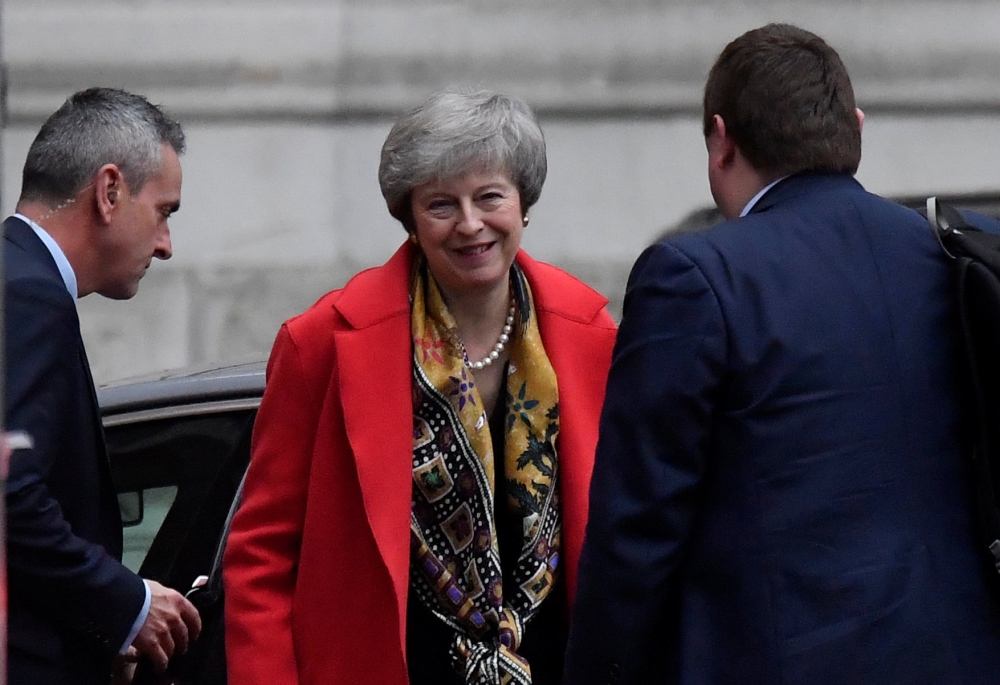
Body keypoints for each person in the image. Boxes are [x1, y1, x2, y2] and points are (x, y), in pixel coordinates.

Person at [563, 23, 1000, 685]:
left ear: (720, 139)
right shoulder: (946, 251)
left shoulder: (693, 275)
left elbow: (639, 528)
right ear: (855, 126)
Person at [223, 90, 617, 685]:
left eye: (489, 197)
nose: (470, 224)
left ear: (524, 204)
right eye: (441, 205)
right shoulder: (320, 345)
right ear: (409, 219)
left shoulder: (592, 339)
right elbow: (261, 560)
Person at [4, 87, 202, 685]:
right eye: (165, 211)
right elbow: (9, 493)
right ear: (109, 191)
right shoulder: (27, 296)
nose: (166, 245)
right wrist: (126, 606)